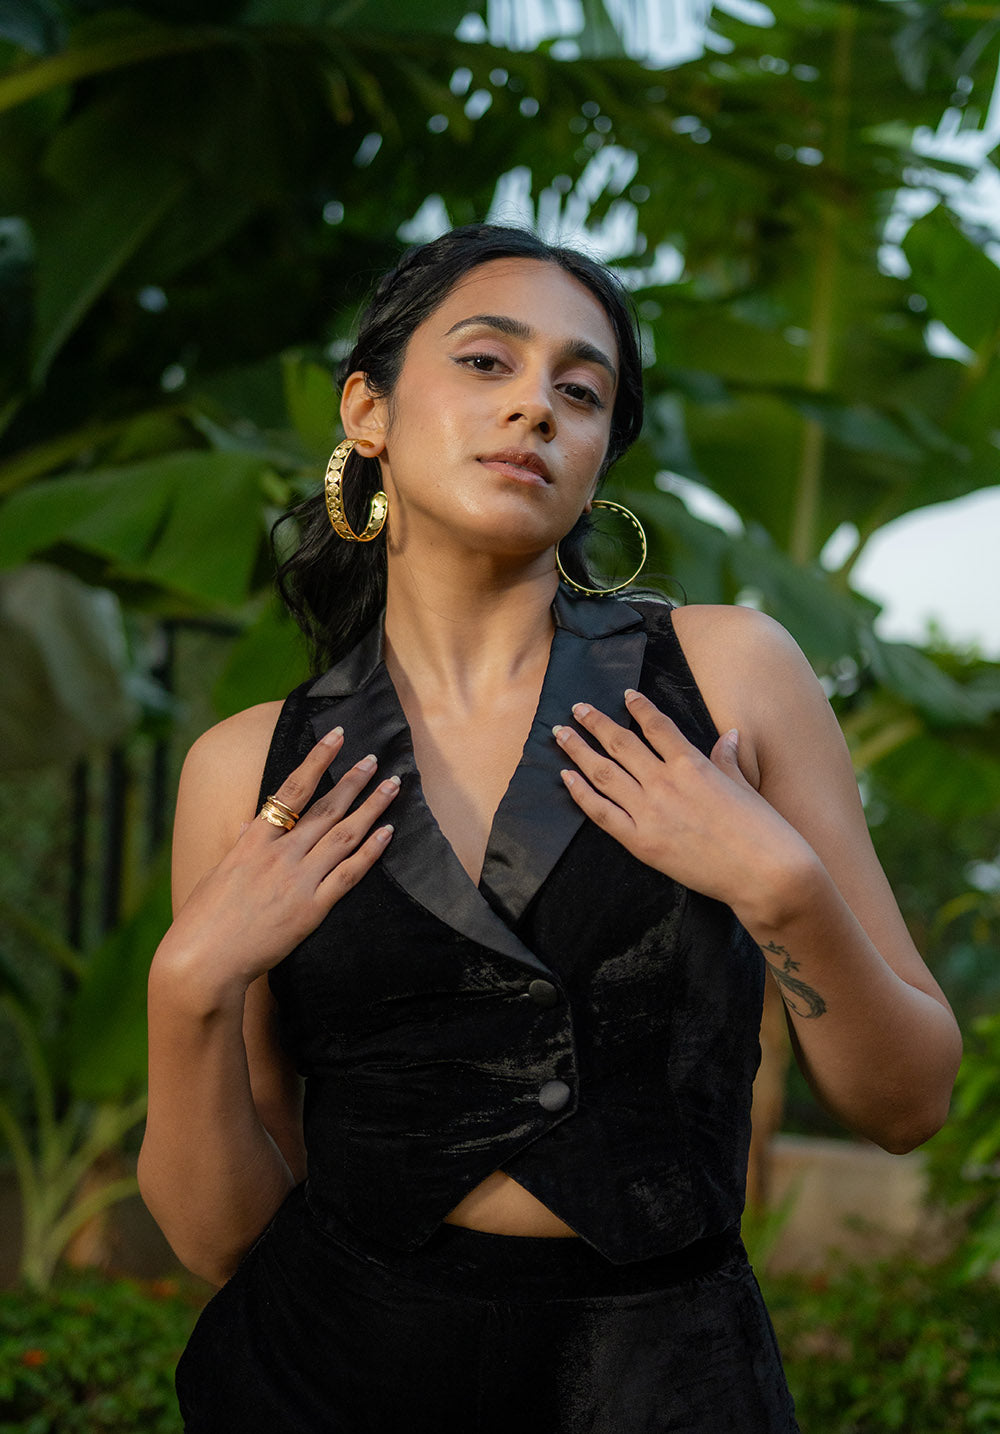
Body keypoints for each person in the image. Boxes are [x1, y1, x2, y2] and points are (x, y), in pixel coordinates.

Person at [138, 223, 962, 1434]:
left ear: (595, 460)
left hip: (661, 1378)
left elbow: (907, 1106)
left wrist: (780, 887)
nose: (535, 407)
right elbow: (218, 1241)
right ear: (366, 409)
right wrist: (188, 986)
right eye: (486, 363)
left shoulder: (723, 676)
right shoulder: (247, 769)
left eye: (580, 392)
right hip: (328, 1375)